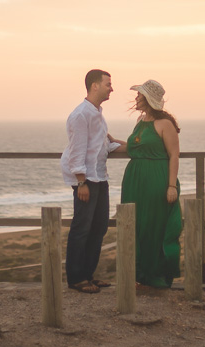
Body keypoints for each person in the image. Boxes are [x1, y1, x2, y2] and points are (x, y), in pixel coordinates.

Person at [60, 69, 124, 293]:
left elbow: (103, 145)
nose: (112, 88)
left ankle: (88, 274)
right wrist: (81, 183)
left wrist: (136, 145)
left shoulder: (97, 113)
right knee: (82, 228)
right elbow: (77, 151)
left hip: (99, 176)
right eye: (108, 84)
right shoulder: (80, 115)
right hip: (86, 179)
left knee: (99, 228)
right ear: (94, 86)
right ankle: (76, 278)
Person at [119, 79, 182, 288]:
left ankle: (156, 276)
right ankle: (139, 275)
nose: (136, 97)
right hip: (135, 181)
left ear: (148, 99)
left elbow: (174, 155)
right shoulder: (140, 121)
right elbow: (134, 148)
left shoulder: (165, 124)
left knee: (153, 226)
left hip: (157, 179)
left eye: (139, 94)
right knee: (136, 225)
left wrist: (171, 186)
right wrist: (109, 141)